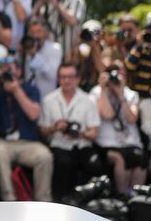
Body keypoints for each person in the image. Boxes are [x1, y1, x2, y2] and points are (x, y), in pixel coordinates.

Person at [0, 56, 53, 202]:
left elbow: (34, 114)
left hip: (27, 143)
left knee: (44, 156)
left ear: (19, 70)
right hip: (3, 141)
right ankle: (9, 199)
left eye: (9, 68)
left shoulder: (30, 89)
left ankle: (43, 200)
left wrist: (16, 90)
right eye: (3, 68)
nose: (6, 71)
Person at [39, 63, 100, 201]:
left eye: (70, 77)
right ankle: (61, 202)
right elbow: (42, 131)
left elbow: (94, 133)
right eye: (63, 77)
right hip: (59, 145)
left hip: (82, 144)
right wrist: (55, 128)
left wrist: (80, 133)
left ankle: (88, 204)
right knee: (63, 163)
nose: (66, 81)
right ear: (59, 79)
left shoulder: (88, 100)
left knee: (94, 165)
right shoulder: (49, 100)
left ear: (78, 79)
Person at [89, 66, 145, 195]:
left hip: (129, 142)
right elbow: (107, 114)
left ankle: (135, 197)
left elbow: (131, 118)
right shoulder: (97, 92)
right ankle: (122, 196)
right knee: (121, 159)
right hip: (107, 143)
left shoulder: (130, 94)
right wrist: (104, 88)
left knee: (141, 159)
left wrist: (120, 94)